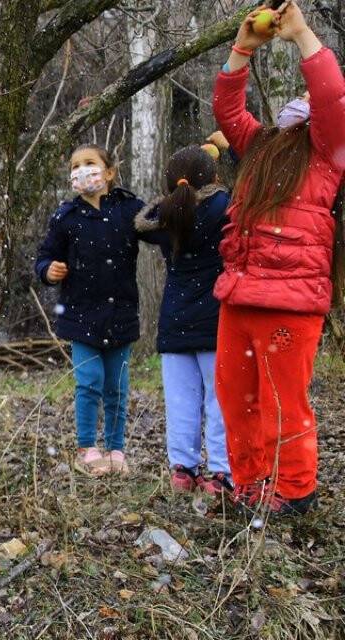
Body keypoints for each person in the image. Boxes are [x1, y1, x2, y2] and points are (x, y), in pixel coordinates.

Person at [210, 0, 342, 516]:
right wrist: (242, 49)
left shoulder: (330, 150)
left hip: (291, 300)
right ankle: (250, 484)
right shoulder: (263, 145)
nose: (303, 100)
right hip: (239, 294)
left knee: (282, 403)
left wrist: (302, 35)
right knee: (235, 399)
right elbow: (227, 111)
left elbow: (332, 94)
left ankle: (294, 490)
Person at [34, 144, 145, 476]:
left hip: (121, 313)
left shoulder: (129, 209)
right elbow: (44, 255)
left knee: (117, 386)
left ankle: (116, 450)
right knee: (89, 381)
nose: (82, 170)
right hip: (80, 315)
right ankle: (87, 447)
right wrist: (47, 269)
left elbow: (158, 228)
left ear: (109, 172)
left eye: (90, 163)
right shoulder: (66, 217)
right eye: (75, 165)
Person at [135, 146, 232, 496]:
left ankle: (182, 469)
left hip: (175, 321)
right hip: (216, 322)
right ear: (215, 179)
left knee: (181, 402)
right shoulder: (225, 210)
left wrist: (170, 193)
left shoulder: (167, 216)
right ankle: (221, 473)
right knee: (219, 402)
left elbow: (142, 220)